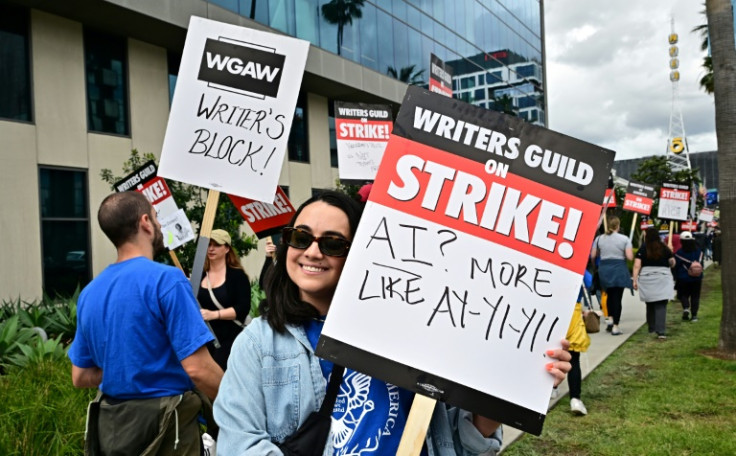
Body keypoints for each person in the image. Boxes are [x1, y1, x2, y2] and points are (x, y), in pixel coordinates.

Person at [214, 190, 572, 455]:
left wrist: (519, 381)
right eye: (301, 237)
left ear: (360, 252)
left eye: (334, 243)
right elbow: (238, 446)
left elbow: (464, 445)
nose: (312, 251)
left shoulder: (415, 335)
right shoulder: (258, 345)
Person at [68, 191, 223, 455]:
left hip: (112, 431)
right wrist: (244, 403)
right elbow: (198, 369)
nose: (160, 224)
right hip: (166, 431)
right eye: (156, 216)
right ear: (145, 223)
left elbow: (80, 376)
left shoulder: (89, 293)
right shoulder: (168, 280)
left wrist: (132, 365)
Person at [198, 229, 252, 371]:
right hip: (207, 341)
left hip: (232, 339)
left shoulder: (237, 276)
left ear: (227, 248)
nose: (211, 248)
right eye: (209, 244)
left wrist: (214, 314)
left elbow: (243, 308)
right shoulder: (199, 276)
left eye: (216, 245)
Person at [590, 216, 633, 336]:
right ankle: (616, 326)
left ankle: (610, 318)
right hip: (619, 268)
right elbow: (630, 257)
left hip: (604, 269)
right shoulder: (624, 239)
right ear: (618, 226)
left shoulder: (599, 239)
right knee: (617, 298)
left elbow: (593, 256)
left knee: (608, 295)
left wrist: (595, 267)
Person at [632, 227, 676, 340]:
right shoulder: (665, 248)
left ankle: (651, 327)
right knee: (661, 304)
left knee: (650, 303)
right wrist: (671, 253)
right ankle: (661, 331)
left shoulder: (643, 249)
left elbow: (637, 265)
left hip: (647, 278)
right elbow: (672, 263)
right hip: (662, 277)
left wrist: (635, 279)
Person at [674, 231, 704, 322]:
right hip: (697, 277)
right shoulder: (699, 251)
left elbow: (676, 266)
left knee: (683, 294)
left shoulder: (679, 253)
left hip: (683, 277)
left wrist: (675, 276)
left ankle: (686, 307)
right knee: (695, 296)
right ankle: (694, 316)